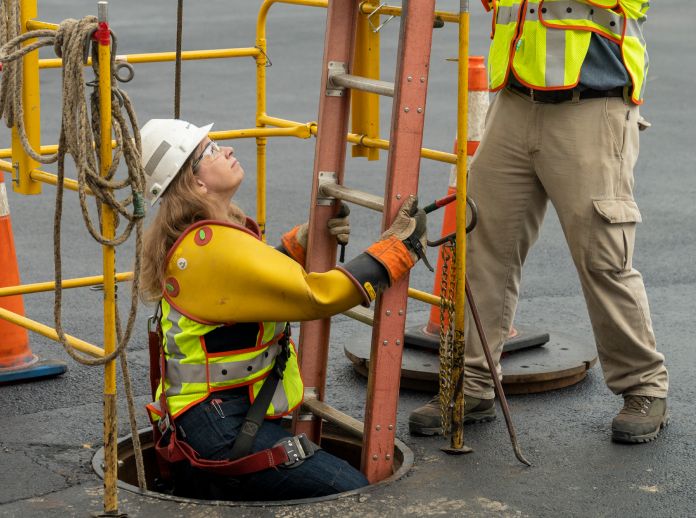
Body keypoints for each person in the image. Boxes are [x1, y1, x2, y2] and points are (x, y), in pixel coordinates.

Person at [409, 0, 668, 444]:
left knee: (602, 257)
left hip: (591, 105)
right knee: (485, 245)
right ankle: (472, 386)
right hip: (513, 102)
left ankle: (644, 386)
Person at [139, 118, 426, 500]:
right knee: (353, 495)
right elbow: (316, 296)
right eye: (209, 150)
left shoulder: (202, 237)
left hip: (211, 416)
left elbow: (244, 287)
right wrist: (396, 251)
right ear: (196, 183)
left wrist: (301, 244)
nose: (226, 150)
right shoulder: (209, 247)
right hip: (220, 425)